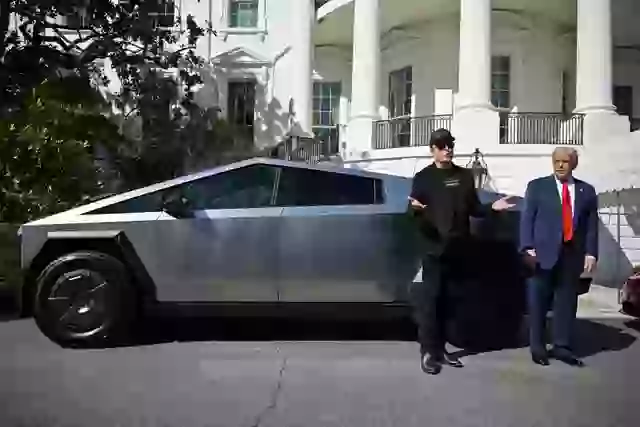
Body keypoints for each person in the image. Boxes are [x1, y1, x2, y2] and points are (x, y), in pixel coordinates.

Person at [408, 128, 515, 375]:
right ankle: (428, 352)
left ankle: (441, 349)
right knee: (430, 302)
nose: (447, 150)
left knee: (450, 302)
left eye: (450, 145)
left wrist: (493, 208)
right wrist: (415, 210)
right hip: (434, 250)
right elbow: (414, 211)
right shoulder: (424, 177)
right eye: (442, 146)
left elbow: (475, 209)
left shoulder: (464, 176)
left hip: (459, 249)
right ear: (433, 150)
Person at [519, 147, 598, 367]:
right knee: (538, 302)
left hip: (571, 255)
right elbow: (527, 218)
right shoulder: (537, 187)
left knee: (566, 302)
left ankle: (562, 346)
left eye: (565, 161)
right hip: (541, 254)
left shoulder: (586, 191)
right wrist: (527, 247)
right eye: (557, 161)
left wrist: (591, 252)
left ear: (574, 164)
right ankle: (537, 347)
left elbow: (591, 226)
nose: (560, 165)